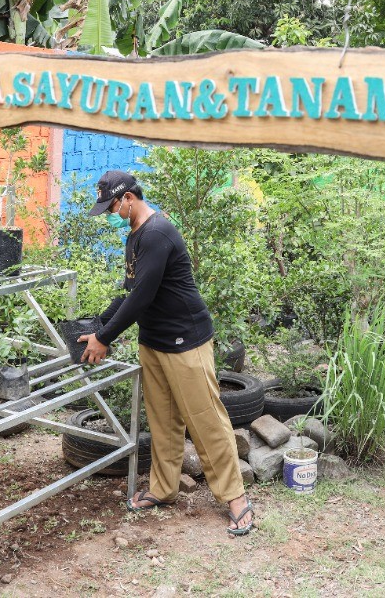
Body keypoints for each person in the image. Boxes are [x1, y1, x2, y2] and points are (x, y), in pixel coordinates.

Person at [78, 170, 255, 536]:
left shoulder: (157, 233)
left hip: (185, 341)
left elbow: (143, 296)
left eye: (112, 206)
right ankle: (164, 488)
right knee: (162, 421)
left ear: (128, 198)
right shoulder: (135, 236)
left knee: (206, 419)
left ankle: (235, 497)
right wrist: (98, 327)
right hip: (154, 341)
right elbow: (129, 292)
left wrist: (106, 337)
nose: (111, 213)